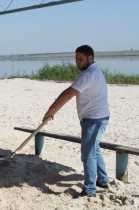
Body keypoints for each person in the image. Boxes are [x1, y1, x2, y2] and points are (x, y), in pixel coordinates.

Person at [42, 45, 110, 198]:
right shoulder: (92, 71)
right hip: (97, 117)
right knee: (94, 149)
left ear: (90, 58)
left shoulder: (89, 74)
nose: (77, 62)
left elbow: (69, 92)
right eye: (76, 59)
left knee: (88, 154)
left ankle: (90, 190)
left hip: (94, 120)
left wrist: (51, 110)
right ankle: (104, 180)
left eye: (80, 59)